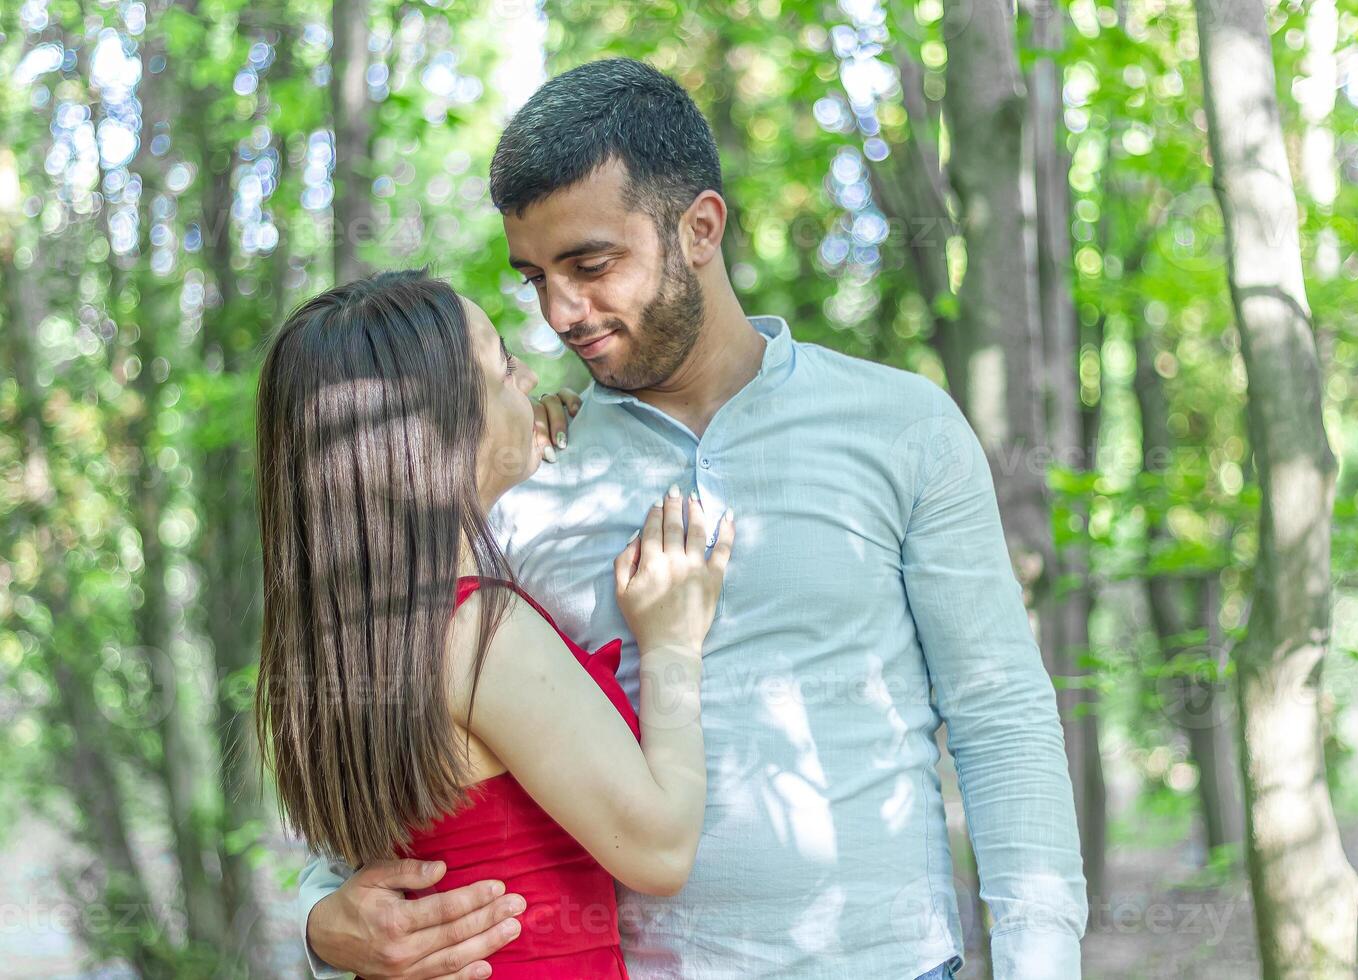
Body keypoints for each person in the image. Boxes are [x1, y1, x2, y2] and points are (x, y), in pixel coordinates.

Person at [300, 58, 1087, 980]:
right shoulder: (512, 471)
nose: (560, 313)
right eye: (534, 279)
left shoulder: (903, 426)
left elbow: (1000, 716)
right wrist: (318, 918)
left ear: (700, 228)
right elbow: (398, 728)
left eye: (591, 266)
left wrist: (1042, 962)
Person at [255, 269, 733, 979]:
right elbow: (660, 850)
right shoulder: (476, 630)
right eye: (504, 364)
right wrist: (671, 642)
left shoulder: (359, 635)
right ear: (443, 423)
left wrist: (510, 452)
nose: (531, 375)